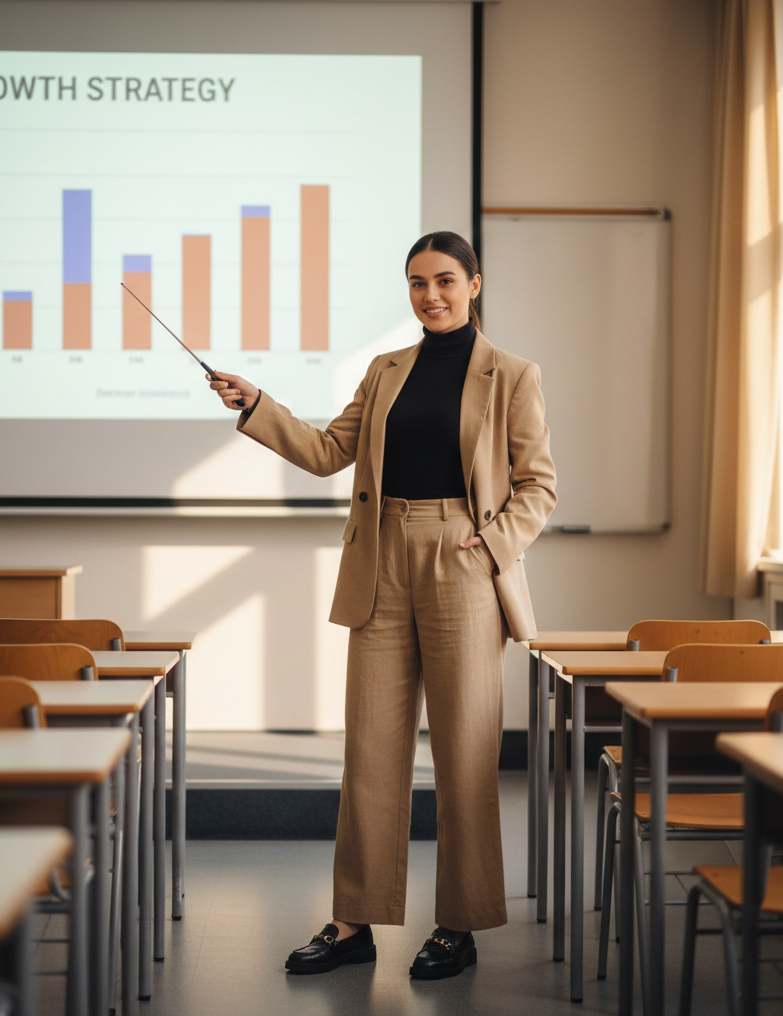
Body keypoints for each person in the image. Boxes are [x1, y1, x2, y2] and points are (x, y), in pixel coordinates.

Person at [208, 231, 556, 979]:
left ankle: (458, 925)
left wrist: (491, 545)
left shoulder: (512, 374)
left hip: (462, 559)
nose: (430, 295)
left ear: (474, 284)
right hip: (382, 559)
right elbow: (328, 450)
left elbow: (539, 487)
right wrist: (258, 404)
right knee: (369, 751)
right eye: (416, 283)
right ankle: (353, 921)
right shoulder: (386, 370)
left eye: (444, 281)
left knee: (465, 750)